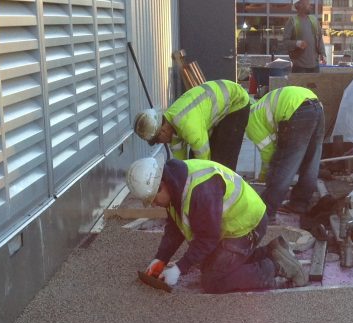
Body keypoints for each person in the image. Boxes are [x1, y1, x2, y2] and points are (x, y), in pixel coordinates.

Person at [126, 157, 307, 293]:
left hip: (247, 226)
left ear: (161, 185)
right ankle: (271, 252)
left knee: (213, 281)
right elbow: (175, 228)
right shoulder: (175, 185)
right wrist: (161, 258)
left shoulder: (200, 191)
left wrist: (181, 267)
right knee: (207, 264)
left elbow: (208, 238)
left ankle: (274, 266)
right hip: (234, 228)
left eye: (152, 199)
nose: (152, 204)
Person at [245, 85, 324, 234]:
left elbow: (269, 155)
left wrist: (264, 176)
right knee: (311, 159)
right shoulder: (259, 107)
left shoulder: (251, 122)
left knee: (284, 164)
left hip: (297, 110)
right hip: (316, 105)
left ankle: (266, 213)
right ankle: (299, 203)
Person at [133, 79, 250, 170]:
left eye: (157, 140)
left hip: (236, 103)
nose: (160, 143)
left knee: (221, 161)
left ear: (163, 130)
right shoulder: (173, 128)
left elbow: (204, 163)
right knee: (194, 157)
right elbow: (183, 165)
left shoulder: (188, 125)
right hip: (220, 106)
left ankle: (226, 195)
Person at [283, 0, 324, 73]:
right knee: (299, 85)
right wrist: (297, 43)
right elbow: (285, 43)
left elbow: (320, 39)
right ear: (300, 5)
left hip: (315, 66)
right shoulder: (292, 21)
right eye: (308, 3)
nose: (310, 5)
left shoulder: (314, 20)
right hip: (299, 67)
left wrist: (323, 54)